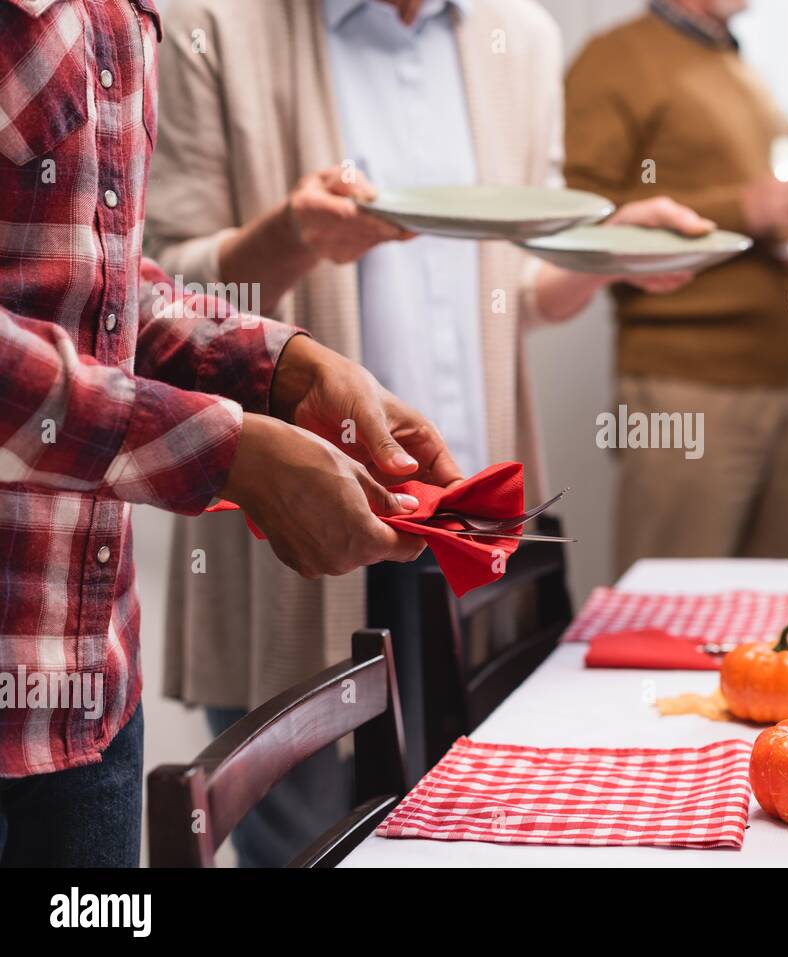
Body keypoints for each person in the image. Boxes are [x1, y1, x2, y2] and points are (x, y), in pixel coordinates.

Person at [145, 0, 712, 866]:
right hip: (296, 531)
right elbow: (148, 288)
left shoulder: (519, 37)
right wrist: (292, 236)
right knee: (304, 848)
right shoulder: (215, 23)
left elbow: (513, 287)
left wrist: (610, 250)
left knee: (469, 840)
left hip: (463, 528)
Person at [0, 0, 461, 867]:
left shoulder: (123, 15)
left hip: (90, 692)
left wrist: (283, 365)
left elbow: (107, 291)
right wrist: (228, 451)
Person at [564, 0, 788, 574]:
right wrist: (740, 208)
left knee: (770, 617)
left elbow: (753, 212)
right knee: (668, 618)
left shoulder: (735, 65)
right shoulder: (614, 59)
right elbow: (581, 219)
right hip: (684, 384)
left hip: (777, 377)